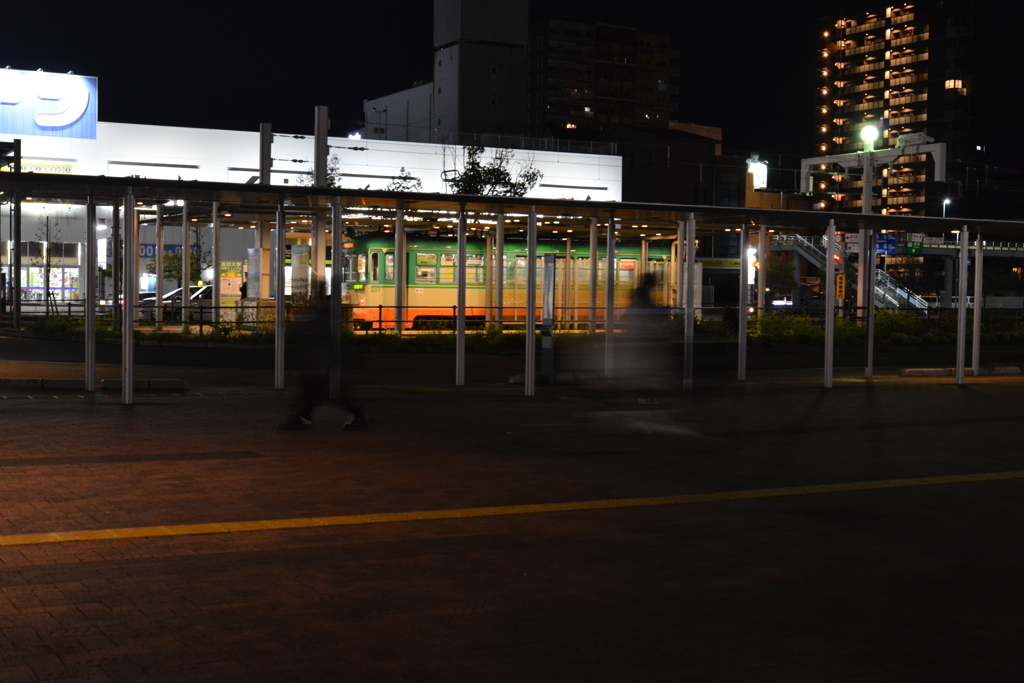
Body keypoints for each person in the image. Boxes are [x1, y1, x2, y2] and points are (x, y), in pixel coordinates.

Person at [280, 284, 368, 430]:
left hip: (321, 360)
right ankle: (303, 416)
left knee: (323, 393)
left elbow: (314, 331)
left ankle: (304, 417)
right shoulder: (324, 312)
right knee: (316, 391)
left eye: (314, 293)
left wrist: (298, 322)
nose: (312, 297)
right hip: (321, 360)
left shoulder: (321, 313)